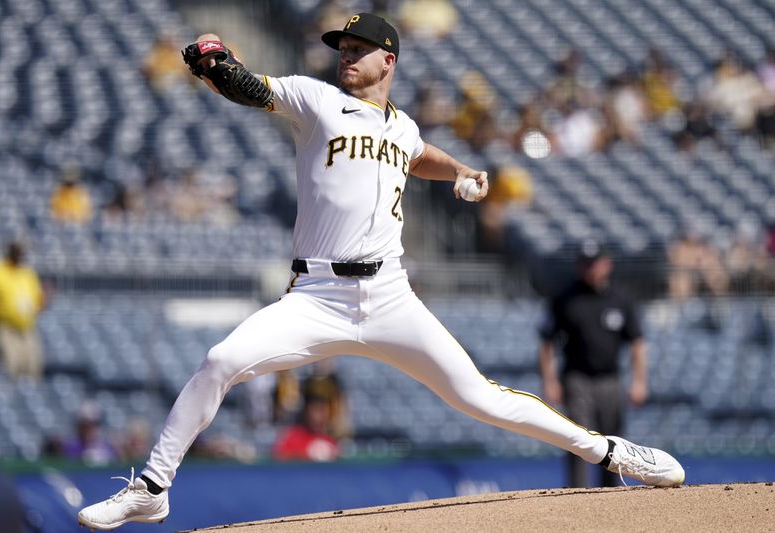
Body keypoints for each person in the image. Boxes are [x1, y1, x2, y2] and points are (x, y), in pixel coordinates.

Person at [78, 13, 684, 530]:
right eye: (341, 49)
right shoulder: (317, 101)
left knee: (482, 398)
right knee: (219, 362)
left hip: (390, 294)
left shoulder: (402, 126)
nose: (345, 56)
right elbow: (249, 86)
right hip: (316, 295)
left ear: (387, 60)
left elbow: (419, 155)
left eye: (357, 50)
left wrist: (464, 172)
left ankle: (612, 452)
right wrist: (213, 63)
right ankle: (152, 490)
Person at [538, 240, 649, 488]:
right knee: (579, 438)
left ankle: (609, 495)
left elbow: (637, 343)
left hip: (610, 379)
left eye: (593, 263)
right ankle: (578, 493)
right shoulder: (565, 299)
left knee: (613, 441)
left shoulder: (621, 298)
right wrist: (550, 381)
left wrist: (639, 381)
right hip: (577, 379)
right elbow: (547, 344)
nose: (589, 269)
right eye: (584, 264)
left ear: (606, 264)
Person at [0, 241, 46, 380]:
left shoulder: (27, 273)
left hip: (27, 327)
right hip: (5, 327)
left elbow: (38, 301)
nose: (19, 255)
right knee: (12, 366)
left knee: (34, 367)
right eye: (16, 252)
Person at [272, 393, 341, 462]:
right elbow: (278, 456)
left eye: (322, 411)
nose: (318, 416)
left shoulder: (330, 441)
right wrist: (305, 456)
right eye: (315, 410)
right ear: (306, 412)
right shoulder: (293, 437)